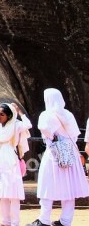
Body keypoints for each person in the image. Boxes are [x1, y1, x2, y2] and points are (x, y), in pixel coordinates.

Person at [27, 89, 89, 226]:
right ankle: (65, 221)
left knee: (47, 186)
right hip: (70, 155)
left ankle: (44, 219)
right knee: (69, 189)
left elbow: (46, 133)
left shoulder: (46, 115)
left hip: (54, 155)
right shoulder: (69, 115)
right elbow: (74, 135)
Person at [0, 103, 31, 226]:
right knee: (3, 193)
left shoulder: (16, 125)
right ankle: (5, 221)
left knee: (14, 194)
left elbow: (29, 125)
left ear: (9, 115)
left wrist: (20, 112)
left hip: (11, 159)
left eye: (2, 114)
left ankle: (15, 222)